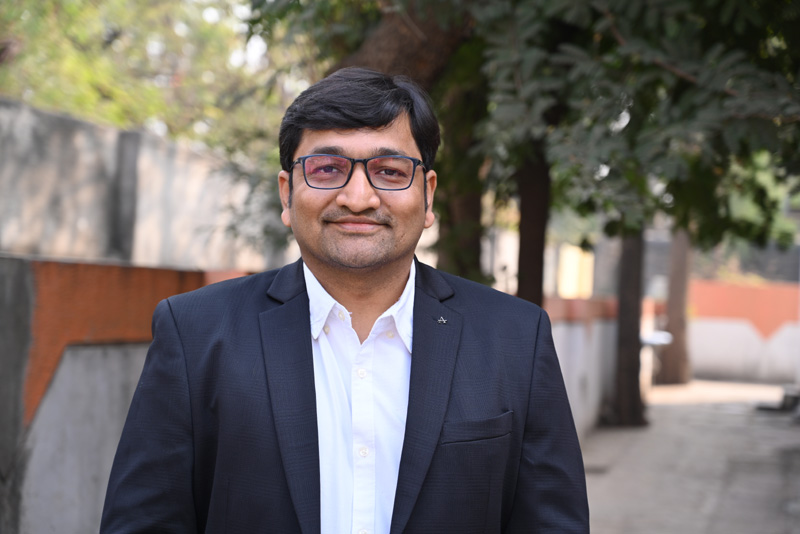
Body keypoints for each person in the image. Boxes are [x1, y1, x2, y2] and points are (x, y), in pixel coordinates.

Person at [100, 67, 589, 533]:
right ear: (287, 193)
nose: (358, 198)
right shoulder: (196, 333)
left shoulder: (515, 339)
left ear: (428, 196)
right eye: (328, 168)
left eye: (390, 171)